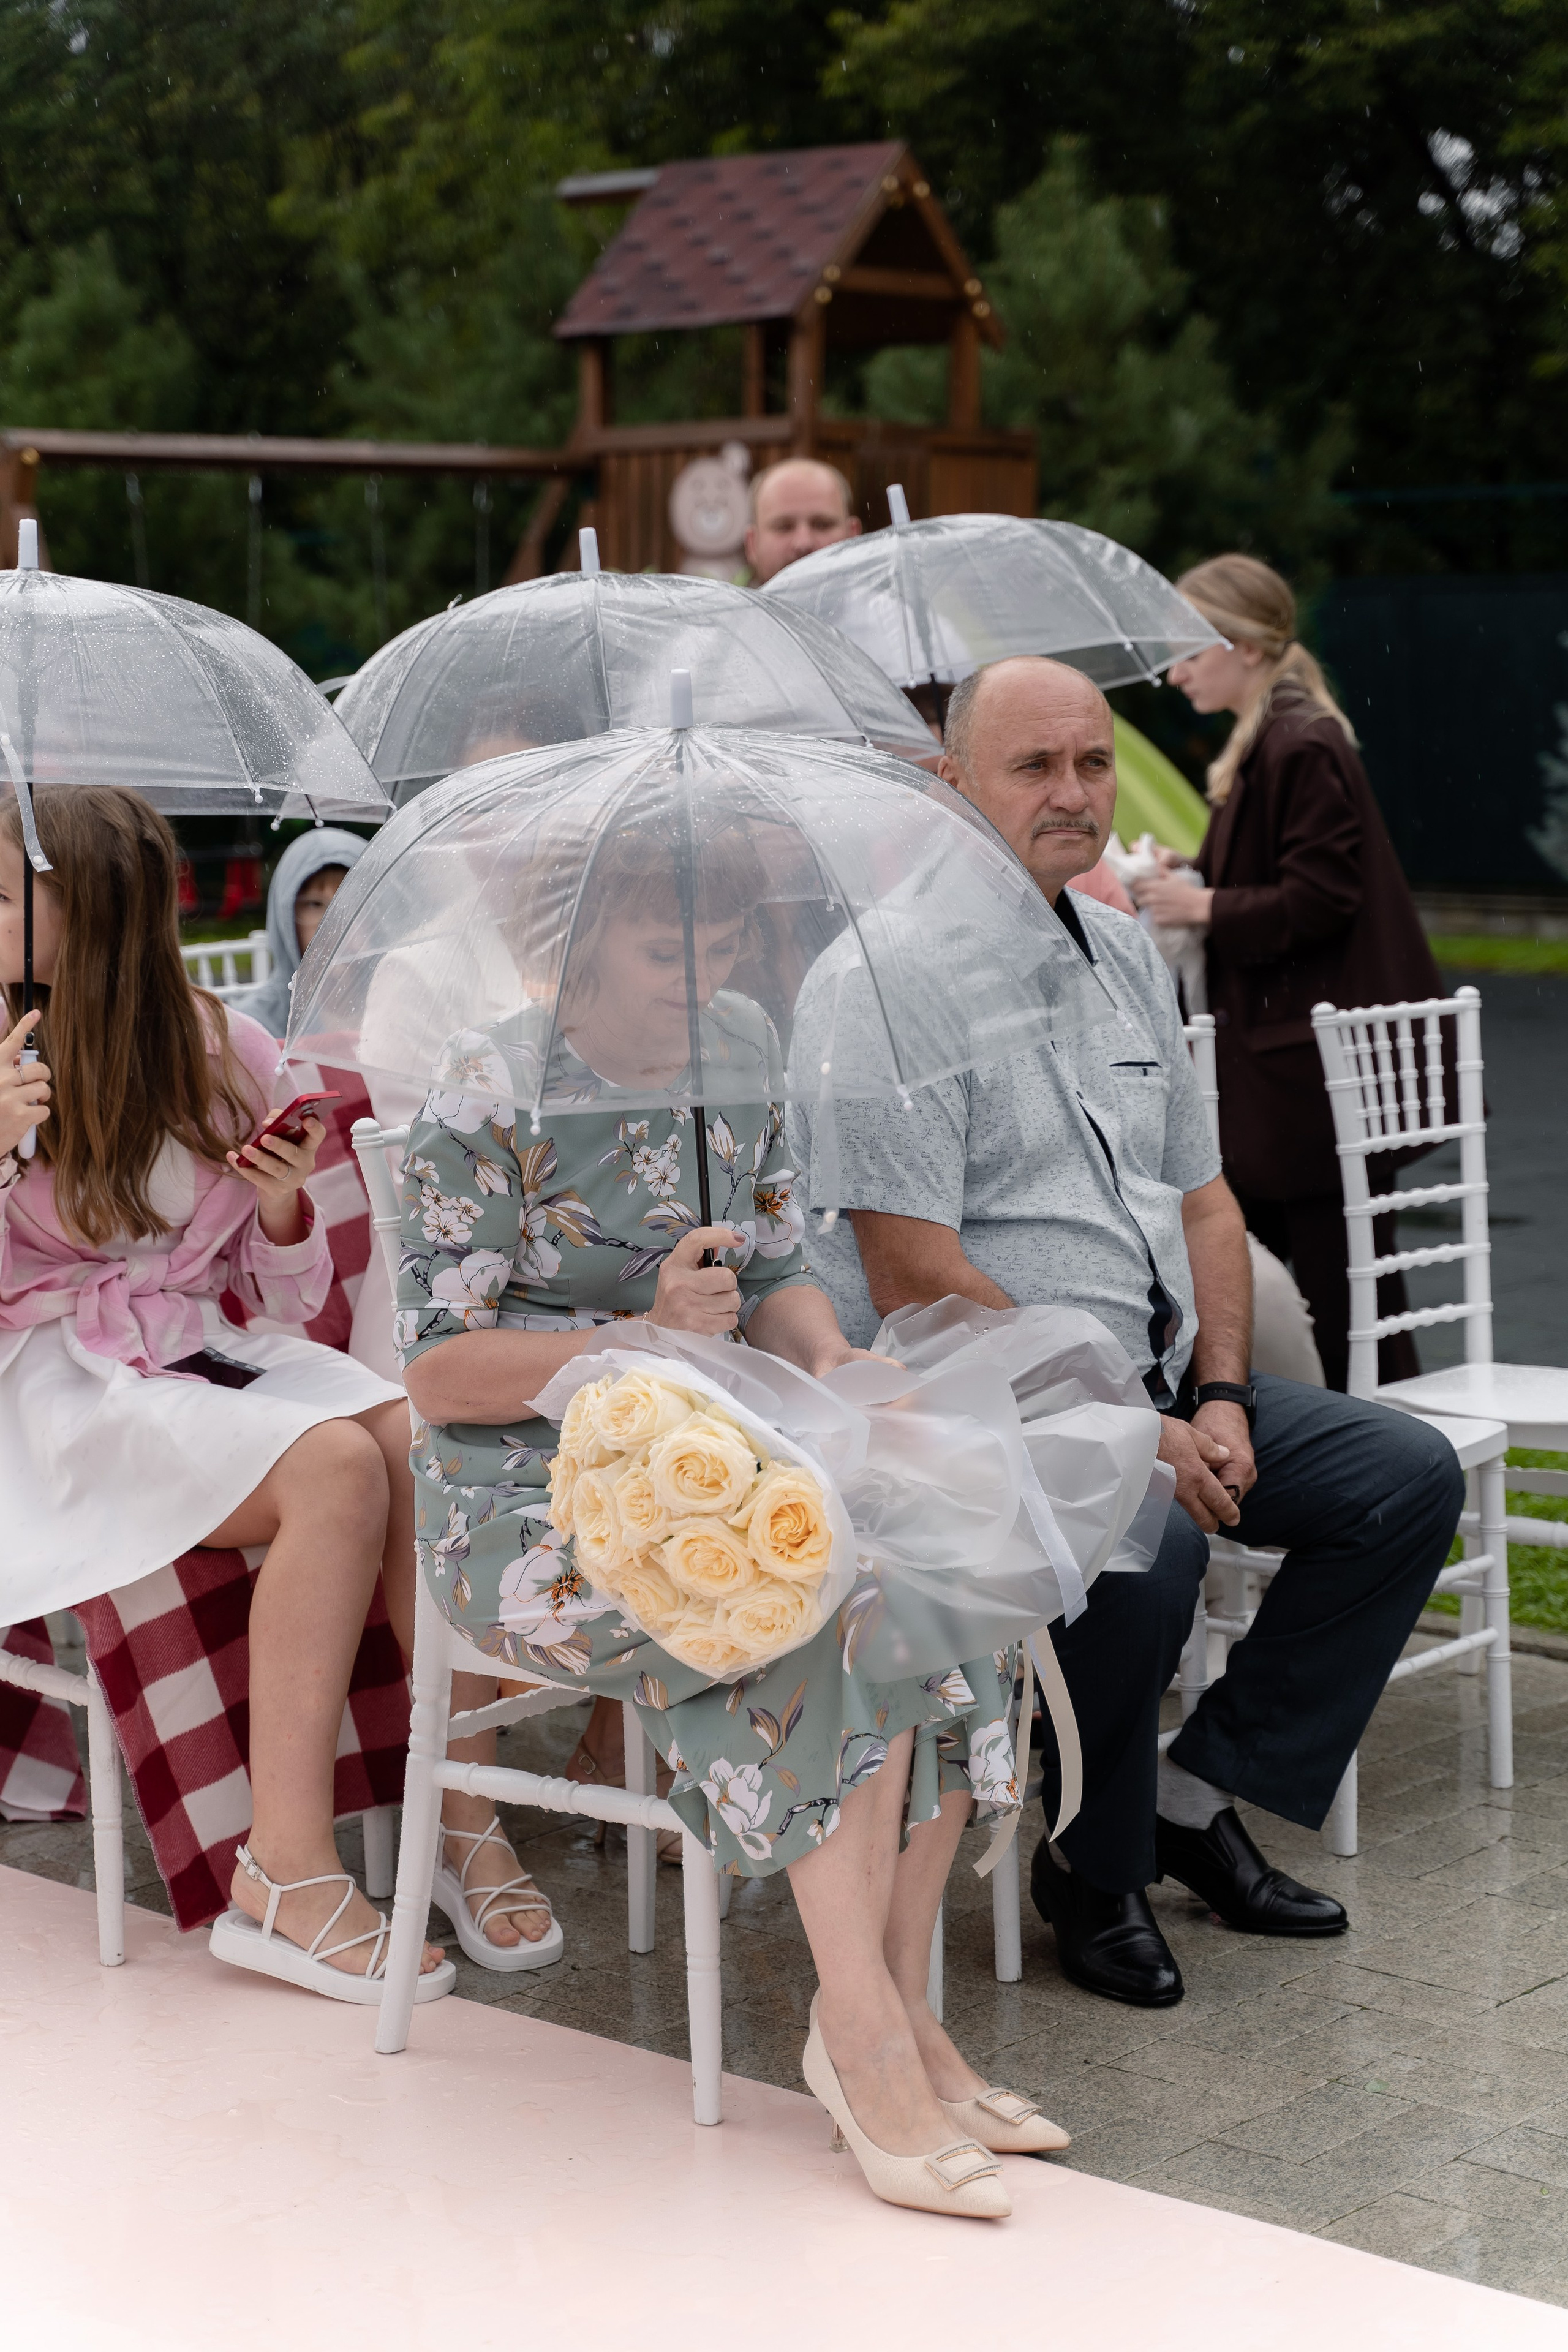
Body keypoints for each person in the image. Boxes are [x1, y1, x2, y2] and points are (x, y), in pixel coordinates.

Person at [394, 812, 1063, 2218]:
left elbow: (777, 1264)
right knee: (804, 1611)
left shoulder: (744, 1042)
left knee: (944, 1580)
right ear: (568, 956)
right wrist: (637, 1337)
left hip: (722, 1445)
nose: (696, 972)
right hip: (525, 1492)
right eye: (659, 945)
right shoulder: (483, 1093)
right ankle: (868, 2038)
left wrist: (829, 1358)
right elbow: (439, 1375)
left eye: (714, 938)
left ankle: (887, 2015)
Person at [786, 658, 1464, 2009]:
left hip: (1145, 1379)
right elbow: (912, 1272)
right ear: (949, 786)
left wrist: (1213, 1395)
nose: (1073, 793)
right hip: (961, 1401)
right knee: (1142, 1549)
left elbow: (1205, 1199)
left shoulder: (1113, 956)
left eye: (1091, 762)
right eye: (1032, 767)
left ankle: (1180, 1792)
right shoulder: (888, 978)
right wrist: (1130, 1428)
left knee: (1400, 1481)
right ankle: (1088, 1872)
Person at [0, 788, 560, 1995]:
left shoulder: (221, 1048)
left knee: (414, 1435)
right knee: (334, 1466)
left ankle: (455, 1816)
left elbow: (286, 1298)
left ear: (86, 912)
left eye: (2, 897)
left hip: (202, 1352)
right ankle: (287, 1868)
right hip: (52, 1386)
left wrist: (280, 1201)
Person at [1133, 554, 1444, 1392]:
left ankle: (1379, 1459)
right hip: (1294, 1068)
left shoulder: (1299, 740)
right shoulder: (1278, 734)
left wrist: (1199, 906)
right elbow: (1284, 871)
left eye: (1186, 648)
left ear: (1240, 644)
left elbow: (1320, 897)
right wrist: (1193, 869)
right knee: (1326, 1277)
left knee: (1336, 1287)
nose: (1174, 669)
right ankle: (1370, 1456)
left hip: (1306, 1072)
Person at [232, 827, 367, 1041]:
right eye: (315, 904)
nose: (334, 924)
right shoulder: (254, 1027)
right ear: (285, 916)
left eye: (352, 903)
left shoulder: (404, 1000)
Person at [743, 458, 861, 586]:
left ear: (853, 537)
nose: (804, 544)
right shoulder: (726, 605)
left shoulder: (882, 604)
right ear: (752, 544)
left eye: (822, 525)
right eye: (784, 527)